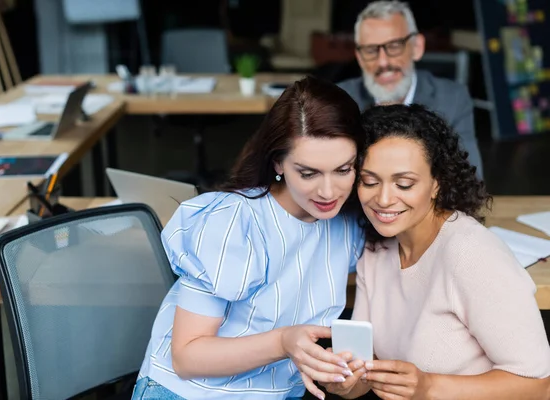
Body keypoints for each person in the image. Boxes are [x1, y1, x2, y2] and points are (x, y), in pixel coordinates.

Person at [132, 76, 367, 400]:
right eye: (308, 173)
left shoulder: (349, 224)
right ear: (278, 163)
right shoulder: (232, 222)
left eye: (343, 170)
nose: (328, 192)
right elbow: (186, 357)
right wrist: (283, 342)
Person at [320, 104, 550, 399]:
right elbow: (368, 369)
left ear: (436, 184)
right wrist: (346, 381)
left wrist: (429, 387)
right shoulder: (376, 248)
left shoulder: (470, 253)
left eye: (404, 183)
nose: (384, 199)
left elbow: (541, 385)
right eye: (369, 181)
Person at [337, 1, 484, 178]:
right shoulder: (340, 101)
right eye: (370, 50)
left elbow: (470, 180)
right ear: (359, 57)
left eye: (394, 46)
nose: (383, 62)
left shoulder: (452, 99)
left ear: (417, 47)